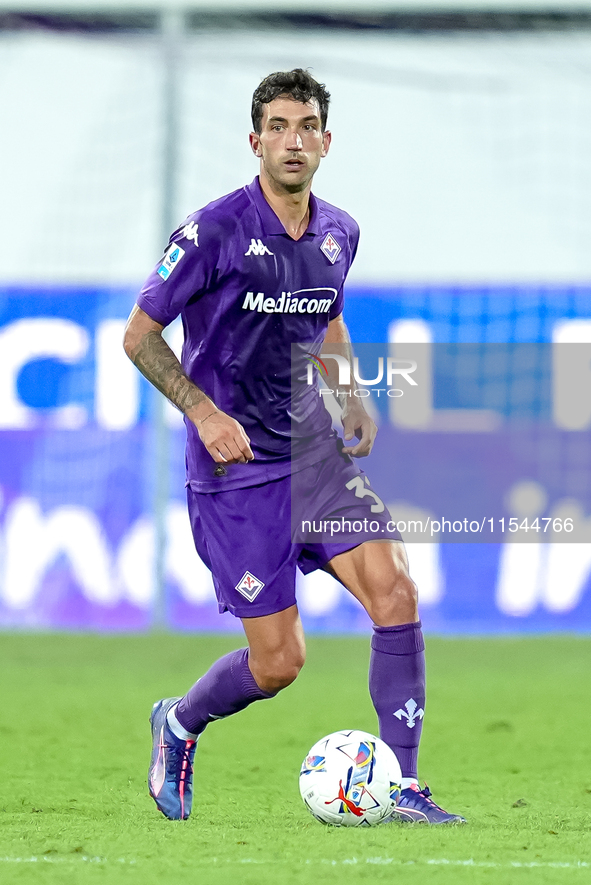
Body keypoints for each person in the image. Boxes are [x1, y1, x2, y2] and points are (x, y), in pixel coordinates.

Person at [123, 68, 465, 825]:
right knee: (279, 663)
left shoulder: (339, 232)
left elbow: (328, 319)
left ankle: (403, 785)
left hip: (313, 457)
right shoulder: (212, 230)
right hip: (236, 470)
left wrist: (348, 394)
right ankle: (180, 721)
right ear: (254, 141)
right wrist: (205, 412)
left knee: (396, 591)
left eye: (305, 125)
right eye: (276, 126)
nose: (292, 139)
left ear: (325, 141)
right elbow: (139, 336)